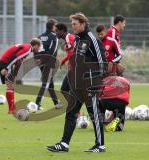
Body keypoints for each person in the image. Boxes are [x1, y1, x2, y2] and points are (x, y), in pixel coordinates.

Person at [46, 12, 107, 153]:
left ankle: (100, 145)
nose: (72, 26)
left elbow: (102, 61)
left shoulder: (92, 39)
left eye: (75, 24)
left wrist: (96, 82)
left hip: (90, 83)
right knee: (71, 112)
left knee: (94, 114)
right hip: (77, 84)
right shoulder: (77, 40)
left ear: (83, 24)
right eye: (72, 24)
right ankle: (64, 144)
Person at [0, 38, 41, 114]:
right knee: (10, 86)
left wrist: (15, 76)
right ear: (36, 45)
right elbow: (15, 58)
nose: (39, 49)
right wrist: (6, 68)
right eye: (39, 47)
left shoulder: (26, 48)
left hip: (6, 62)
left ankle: (12, 108)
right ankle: (11, 109)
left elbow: (18, 62)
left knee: (11, 86)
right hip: (7, 63)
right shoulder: (28, 49)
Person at [35, 19, 61, 109]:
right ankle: (37, 104)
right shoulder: (54, 36)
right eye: (56, 26)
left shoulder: (40, 36)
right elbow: (52, 50)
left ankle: (56, 103)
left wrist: (38, 59)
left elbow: (35, 49)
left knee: (50, 84)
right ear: (53, 27)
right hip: (49, 62)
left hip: (40, 62)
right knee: (46, 83)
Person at [55, 23, 75, 101]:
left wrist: (71, 65)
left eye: (57, 31)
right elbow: (71, 52)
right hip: (76, 68)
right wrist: (63, 61)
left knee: (65, 90)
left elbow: (72, 53)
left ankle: (75, 110)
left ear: (62, 31)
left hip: (76, 69)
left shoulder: (68, 38)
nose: (56, 33)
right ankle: (75, 110)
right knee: (66, 90)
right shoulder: (69, 37)